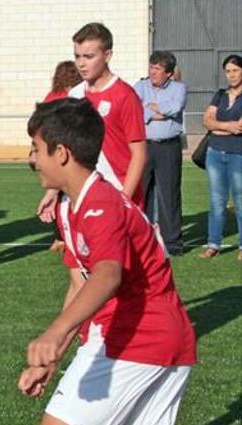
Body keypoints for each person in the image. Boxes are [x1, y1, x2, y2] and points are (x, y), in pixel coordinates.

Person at [21, 97, 241, 425]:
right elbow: (79, 285)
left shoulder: (101, 204)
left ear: (62, 153)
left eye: (36, 149)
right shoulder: (73, 207)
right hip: (152, 337)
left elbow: (107, 275)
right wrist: (55, 353)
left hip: (140, 336)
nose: (32, 159)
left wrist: (54, 333)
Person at [37, 22, 147, 223]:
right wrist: (53, 191)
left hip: (119, 194)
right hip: (85, 196)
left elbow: (139, 155)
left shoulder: (125, 96)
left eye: (89, 56)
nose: (81, 63)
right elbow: (68, 150)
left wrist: (124, 200)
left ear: (107, 55)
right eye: (77, 56)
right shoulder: (75, 95)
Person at [134, 51, 186, 256]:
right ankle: (144, 242)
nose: (153, 72)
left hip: (168, 147)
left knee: (169, 196)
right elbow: (135, 110)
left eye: (158, 69)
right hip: (144, 146)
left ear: (169, 73)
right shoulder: (140, 86)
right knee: (142, 194)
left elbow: (175, 107)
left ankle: (172, 244)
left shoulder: (179, 88)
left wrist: (151, 110)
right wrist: (155, 113)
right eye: (151, 67)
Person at [201, 54, 242, 261]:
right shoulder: (219, 95)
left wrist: (217, 126)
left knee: (240, 200)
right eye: (228, 71)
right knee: (216, 200)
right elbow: (207, 121)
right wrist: (227, 127)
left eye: (235, 70)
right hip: (214, 153)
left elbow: (241, 127)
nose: (232, 75)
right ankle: (213, 244)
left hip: (238, 154)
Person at [43, 60, 84, 252]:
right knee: (75, 193)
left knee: (57, 194)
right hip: (73, 149)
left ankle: (58, 237)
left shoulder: (52, 96)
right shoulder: (78, 95)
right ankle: (75, 234)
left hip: (54, 150)